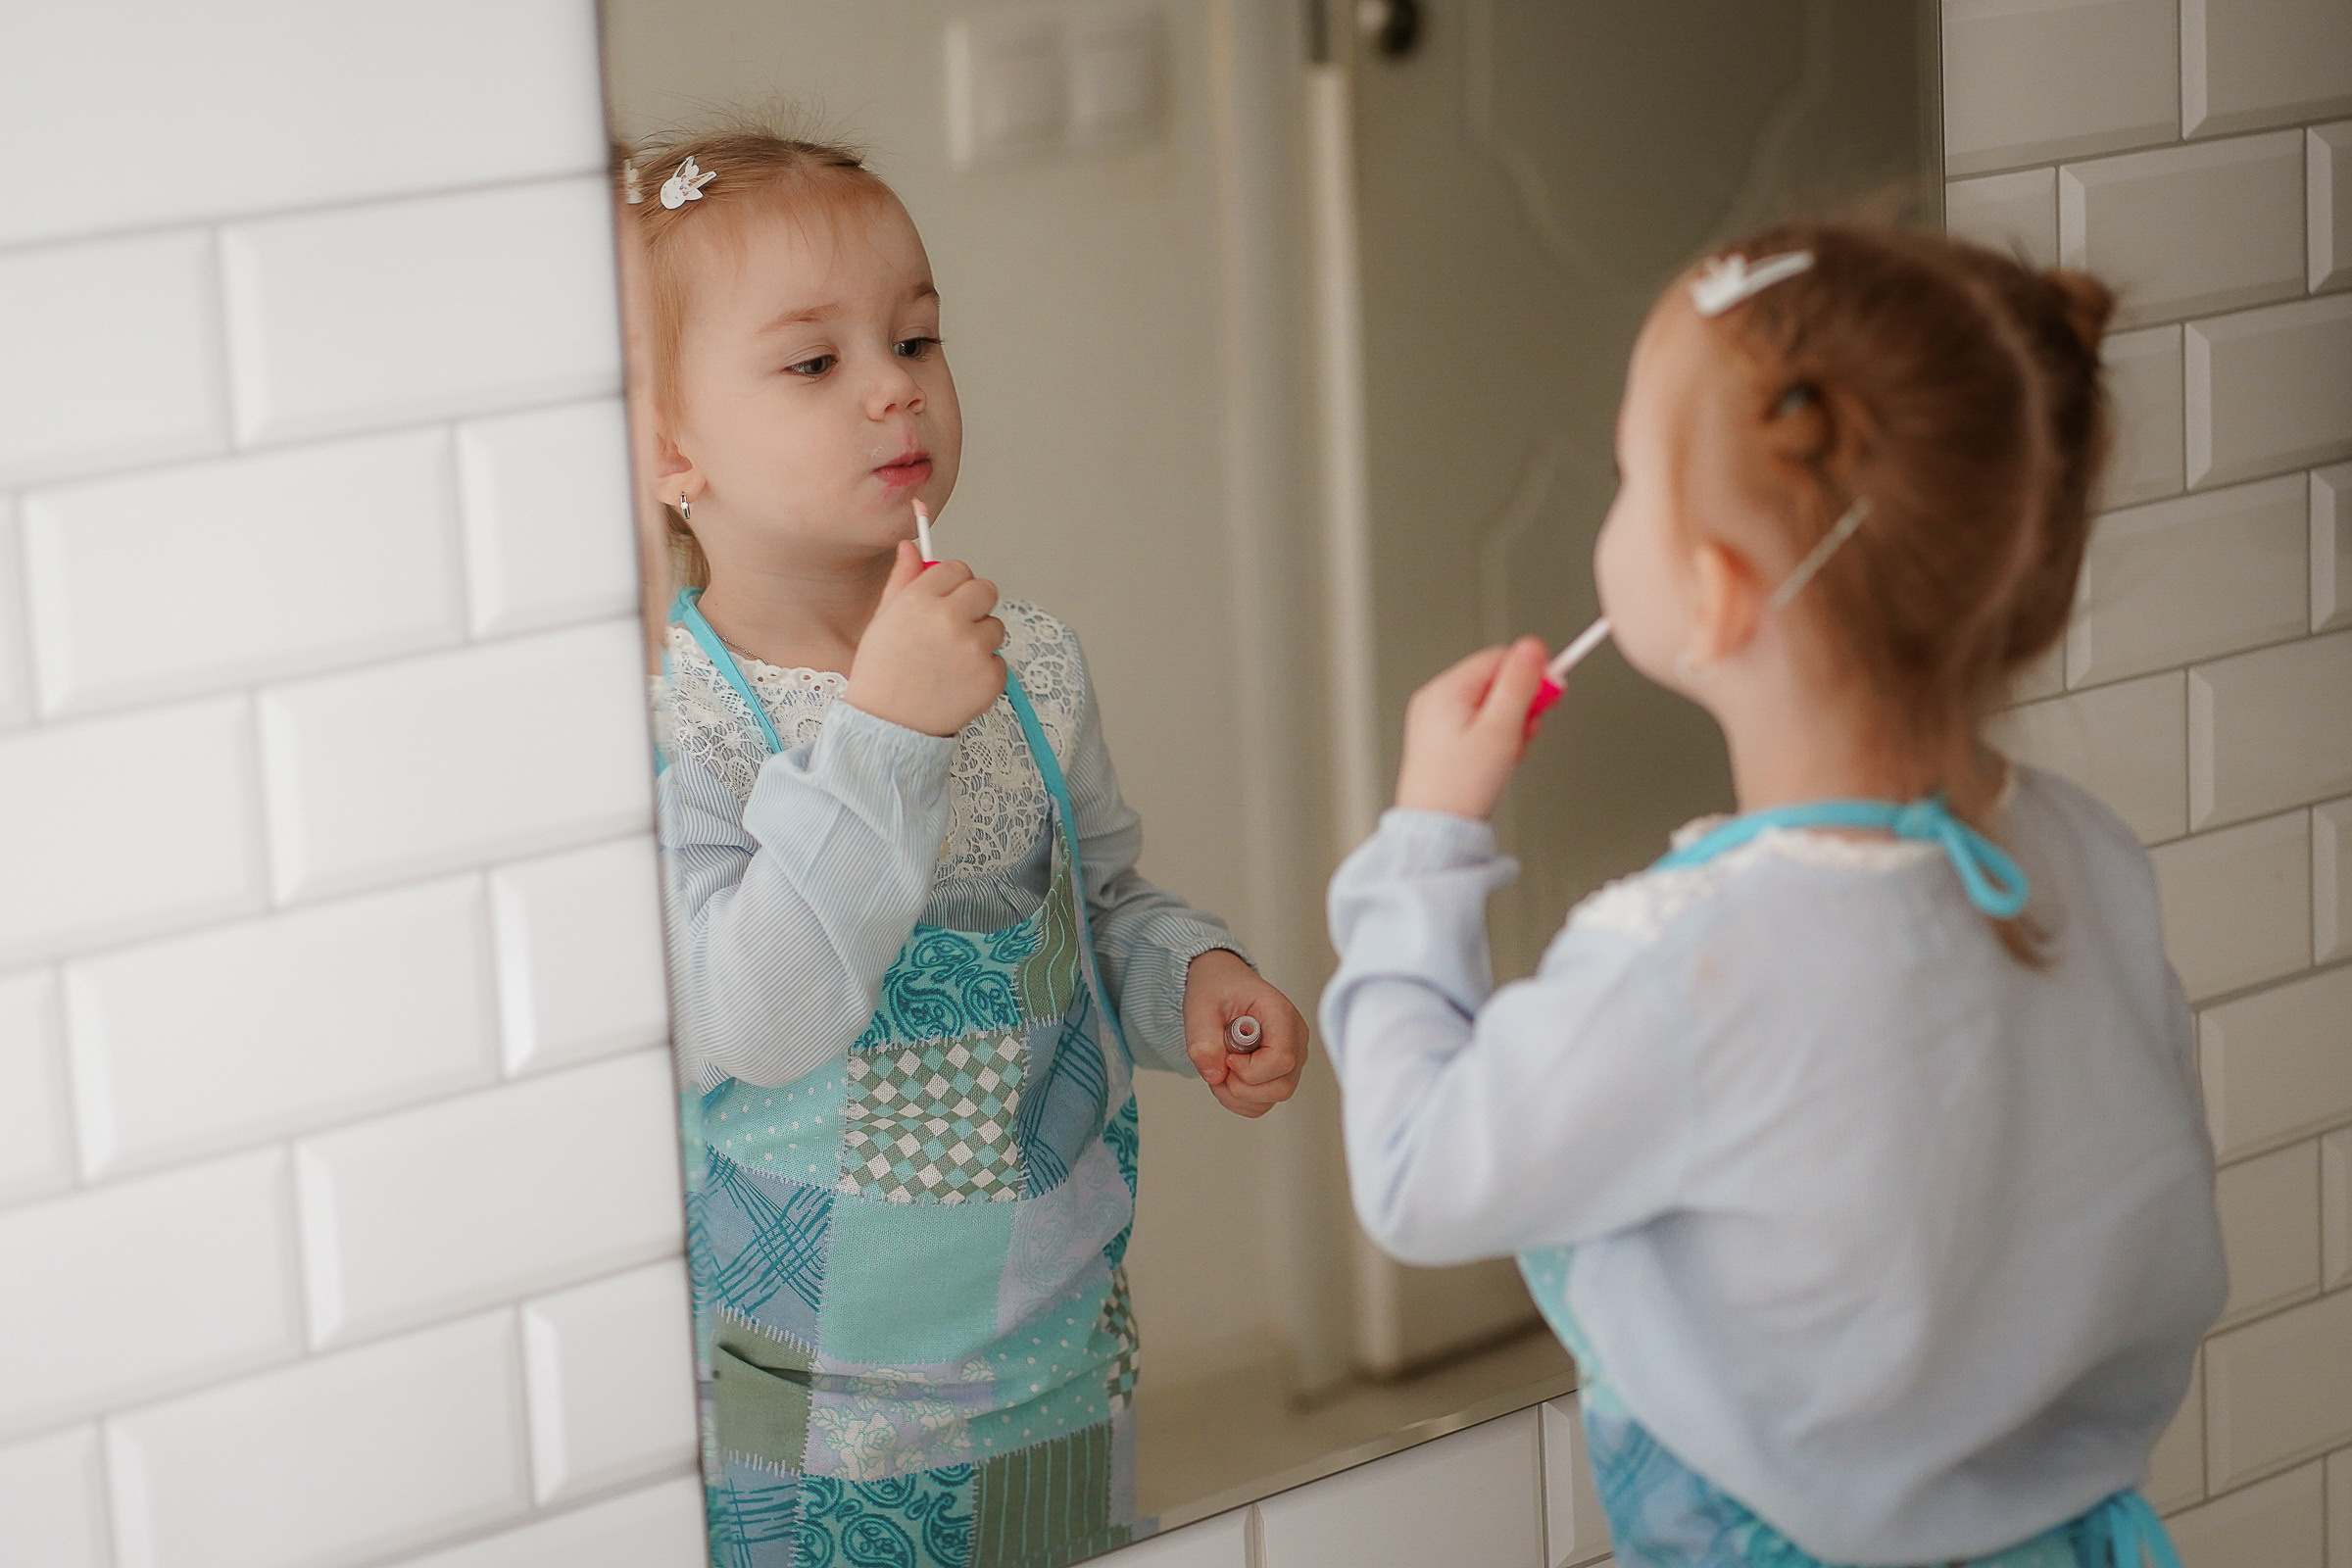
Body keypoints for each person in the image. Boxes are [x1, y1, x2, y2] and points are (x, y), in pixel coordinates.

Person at [1320, 223, 2223, 1567]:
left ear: (1716, 592)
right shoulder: (2089, 853)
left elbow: (1413, 1173)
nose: (1610, 502)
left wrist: (1426, 842)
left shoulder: (1689, 965)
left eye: (1629, 475)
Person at [621, 124, 1309, 1568]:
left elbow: (1103, 900)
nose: (893, 384)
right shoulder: (677, 722)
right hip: (804, 1411)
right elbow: (755, 1014)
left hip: (1051, 1366)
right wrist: (885, 735)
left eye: (917, 337)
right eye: (814, 364)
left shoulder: (1032, 665)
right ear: (671, 450)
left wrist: (1188, 975)